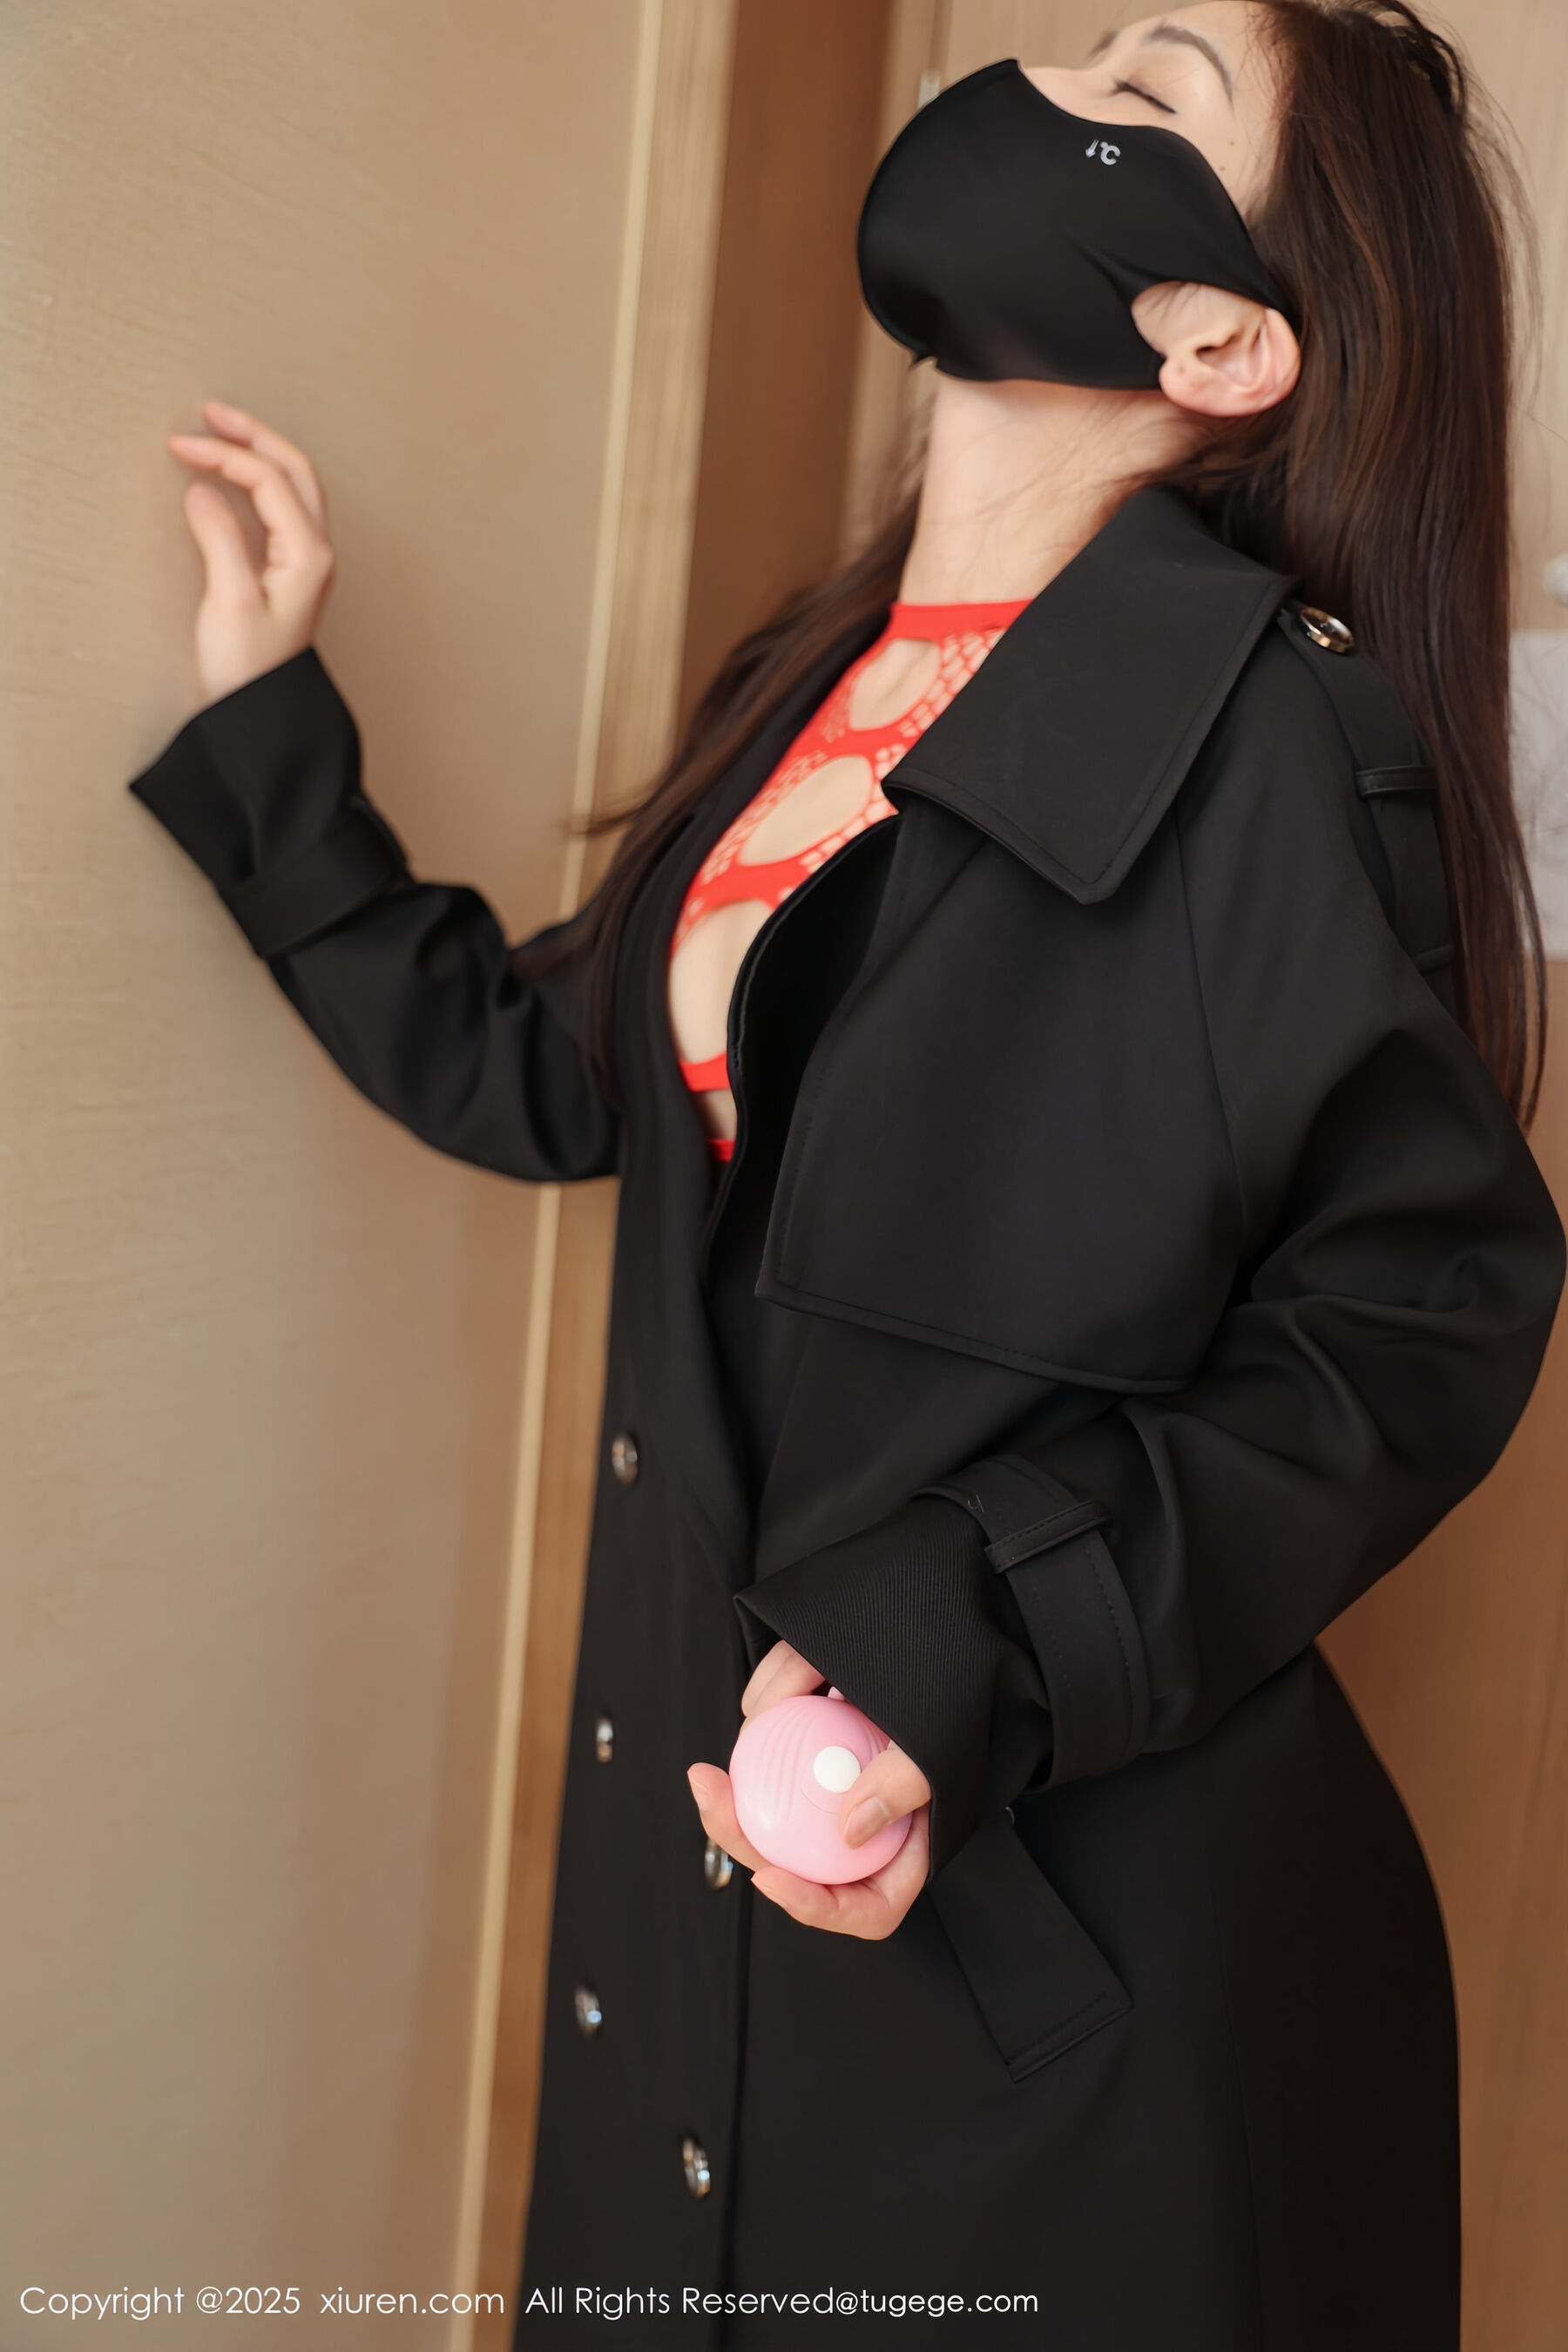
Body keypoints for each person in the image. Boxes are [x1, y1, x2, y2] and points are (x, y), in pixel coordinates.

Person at [128, 3, 1564, 2343]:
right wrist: (269, 725)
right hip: (715, 1890)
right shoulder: (822, 683)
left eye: (1151, 87)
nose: (1050, 85)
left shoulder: (1276, 735)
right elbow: (564, 1077)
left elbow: (1418, 1316)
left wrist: (957, 1634)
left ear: (1217, 338)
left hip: (1073, 1986)